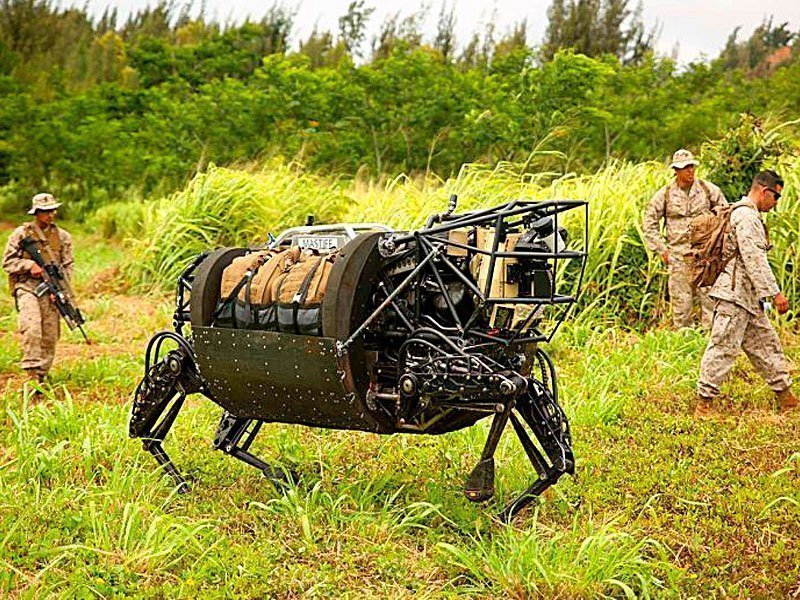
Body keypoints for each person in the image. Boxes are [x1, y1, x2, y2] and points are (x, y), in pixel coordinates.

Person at [696, 170, 796, 416]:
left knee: (766, 344)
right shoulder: (746, 217)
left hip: (748, 297)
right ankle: (704, 404)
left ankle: (786, 397)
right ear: (764, 191)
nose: (776, 203)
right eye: (776, 197)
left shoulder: (747, 215)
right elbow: (755, 260)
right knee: (723, 347)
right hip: (733, 296)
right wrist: (775, 294)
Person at [643, 149, 728, 329]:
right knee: (682, 305)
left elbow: (725, 215)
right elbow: (649, 223)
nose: (690, 171)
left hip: (705, 256)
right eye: (685, 167)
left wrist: (717, 245)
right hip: (678, 256)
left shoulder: (708, 190)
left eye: (691, 166)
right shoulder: (665, 194)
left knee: (710, 301)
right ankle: (684, 339)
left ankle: (710, 339)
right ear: (676, 170)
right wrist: (662, 251)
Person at [2, 193, 74, 383]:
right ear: (36, 213)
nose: (50, 215)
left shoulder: (63, 237)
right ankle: (32, 373)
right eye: (45, 211)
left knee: (50, 334)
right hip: (26, 286)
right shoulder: (21, 234)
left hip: (51, 290)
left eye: (52, 210)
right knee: (32, 327)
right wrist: (29, 265)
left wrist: (61, 292)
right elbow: (7, 263)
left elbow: (67, 267)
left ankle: (42, 375)